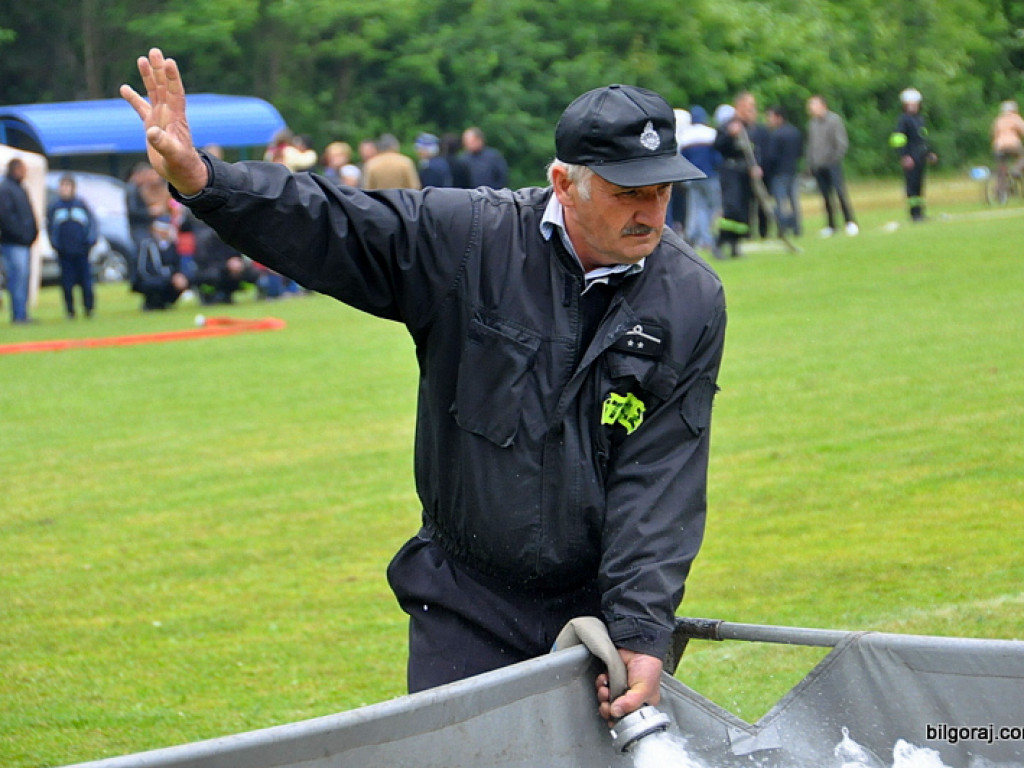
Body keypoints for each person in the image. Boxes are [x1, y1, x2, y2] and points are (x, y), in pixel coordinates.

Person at [122, 51, 726, 724]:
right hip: (464, 598)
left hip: (592, 609)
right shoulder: (468, 239)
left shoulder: (691, 299)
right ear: (564, 182)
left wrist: (640, 632)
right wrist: (203, 179)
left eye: (662, 190)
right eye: (627, 193)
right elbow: (334, 221)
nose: (650, 212)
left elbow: (661, 479)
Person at [713, 91, 761, 257]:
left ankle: (735, 245)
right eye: (749, 105)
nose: (752, 109)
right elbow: (717, 145)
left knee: (743, 210)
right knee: (731, 208)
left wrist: (757, 166)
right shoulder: (728, 125)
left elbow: (755, 149)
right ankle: (720, 242)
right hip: (730, 171)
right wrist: (729, 135)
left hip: (745, 172)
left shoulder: (751, 127)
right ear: (740, 106)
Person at [805, 95, 858, 237]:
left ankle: (850, 222)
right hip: (818, 165)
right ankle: (831, 225)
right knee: (825, 196)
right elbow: (811, 145)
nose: (810, 108)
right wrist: (810, 163)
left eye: (813, 105)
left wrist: (834, 159)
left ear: (822, 105)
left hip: (832, 164)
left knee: (840, 193)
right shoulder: (812, 124)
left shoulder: (834, 120)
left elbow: (841, 143)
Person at [47, 174, 98, 319]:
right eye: (62, 186)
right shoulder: (55, 207)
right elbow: (51, 228)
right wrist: (56, 245)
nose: (64, 190)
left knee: (86, 282)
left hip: (82, 251)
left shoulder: (81, 205)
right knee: (67, 283)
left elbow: (91, 224)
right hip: (64, 252)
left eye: (67, 186)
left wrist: (90, 242)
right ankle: (70, 310)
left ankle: (89, 308)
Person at [0, 157, 40, 324]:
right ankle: (18, 314)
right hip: (13, 243)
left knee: (22, 278)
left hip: (23, 242)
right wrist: (21, 234)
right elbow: (7, 217)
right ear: (15, 169)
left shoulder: (19, 188)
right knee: (17, 277)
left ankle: (22, 312)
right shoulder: (6, 190)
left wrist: (33, 233)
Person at [678, 105, 721, 257]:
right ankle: (710, 237)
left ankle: (700, 237)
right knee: (714, 208)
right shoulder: (711, 133)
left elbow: (682, 159)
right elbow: (717, 157)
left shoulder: (686, 135)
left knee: (698, 208)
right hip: (710, 176)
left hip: (693, 177)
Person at [890, 88, 937, 222]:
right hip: (910, 157)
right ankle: (914, 214)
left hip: (920, 156)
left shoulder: (920, 119)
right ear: (905, 105)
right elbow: (898, 139)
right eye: (910, 104)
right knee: (911, 186)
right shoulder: (903, 120)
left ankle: (920, 212)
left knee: (919, 186)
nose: (913, 106)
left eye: (915, 103)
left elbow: (922, 139)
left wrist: (928, 153)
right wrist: (904, 156)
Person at [131, 214, 189, 310]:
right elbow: (142, 268)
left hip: (167, 277)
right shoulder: (146, 245)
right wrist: (163, 277)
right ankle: (151, 302)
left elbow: (177, 264)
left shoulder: (172, 245)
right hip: (149, 278)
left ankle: (165, 301)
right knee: (155, 284)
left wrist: (179, 275)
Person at [763, 106, 803, 238]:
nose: (768, 120)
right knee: (793, 200)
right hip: (792, 170)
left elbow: (771, 156)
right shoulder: (795, 132)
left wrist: (767, 170)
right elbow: (799, 152)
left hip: (779, 172)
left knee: (780, 202)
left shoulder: (776, 135)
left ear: (778, 118)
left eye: (771, 117)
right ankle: (797, 227)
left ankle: (782, 228)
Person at [991, 100, 1024, 178]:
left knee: (1002, 166)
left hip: (998, 146)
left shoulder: (999, 120)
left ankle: (1000, 188)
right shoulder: (1016, 118)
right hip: (1012, 145)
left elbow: (993, 133)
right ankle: (1016, 170)